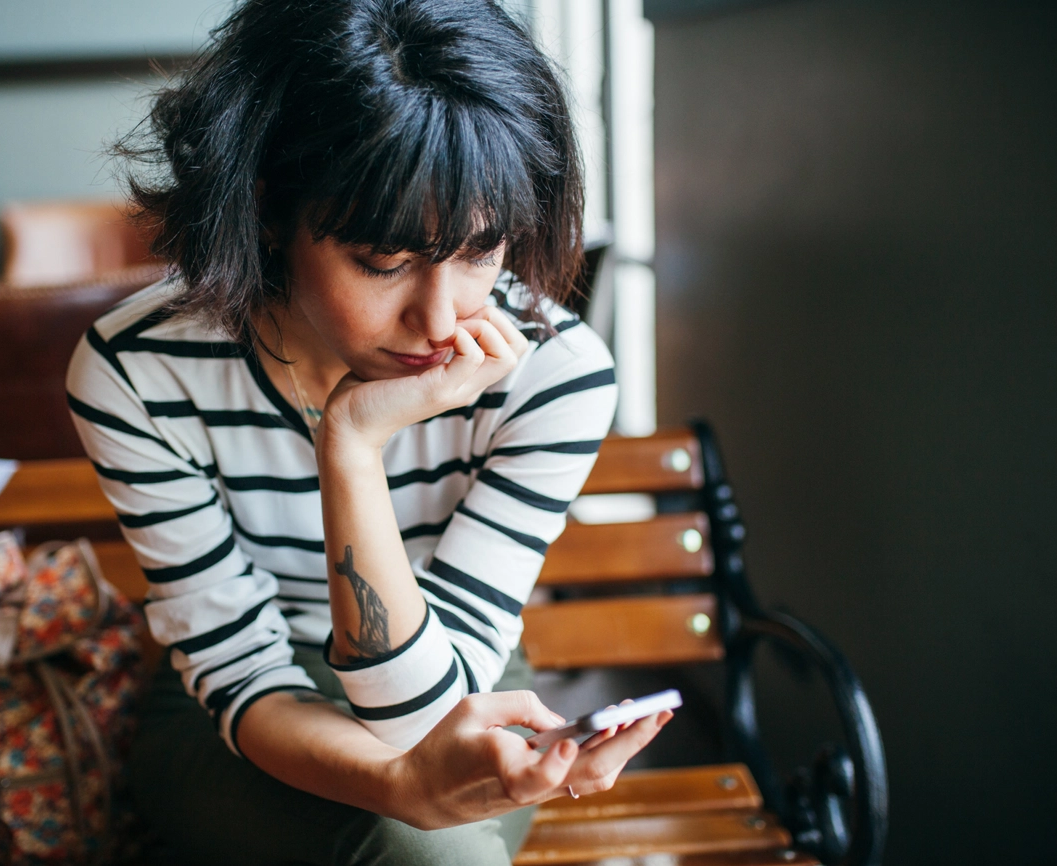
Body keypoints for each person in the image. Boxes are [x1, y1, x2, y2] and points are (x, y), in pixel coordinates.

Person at [67, 0, 672, 862]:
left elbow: (423, 714)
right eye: (384, 262)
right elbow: (241, 674)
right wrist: (349, 445)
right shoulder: (136, 370)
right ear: (268, 209)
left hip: (461, 668)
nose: (442, 319)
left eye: (481, 251)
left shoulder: (553, 376)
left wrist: (353, 446)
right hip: (232, 709)